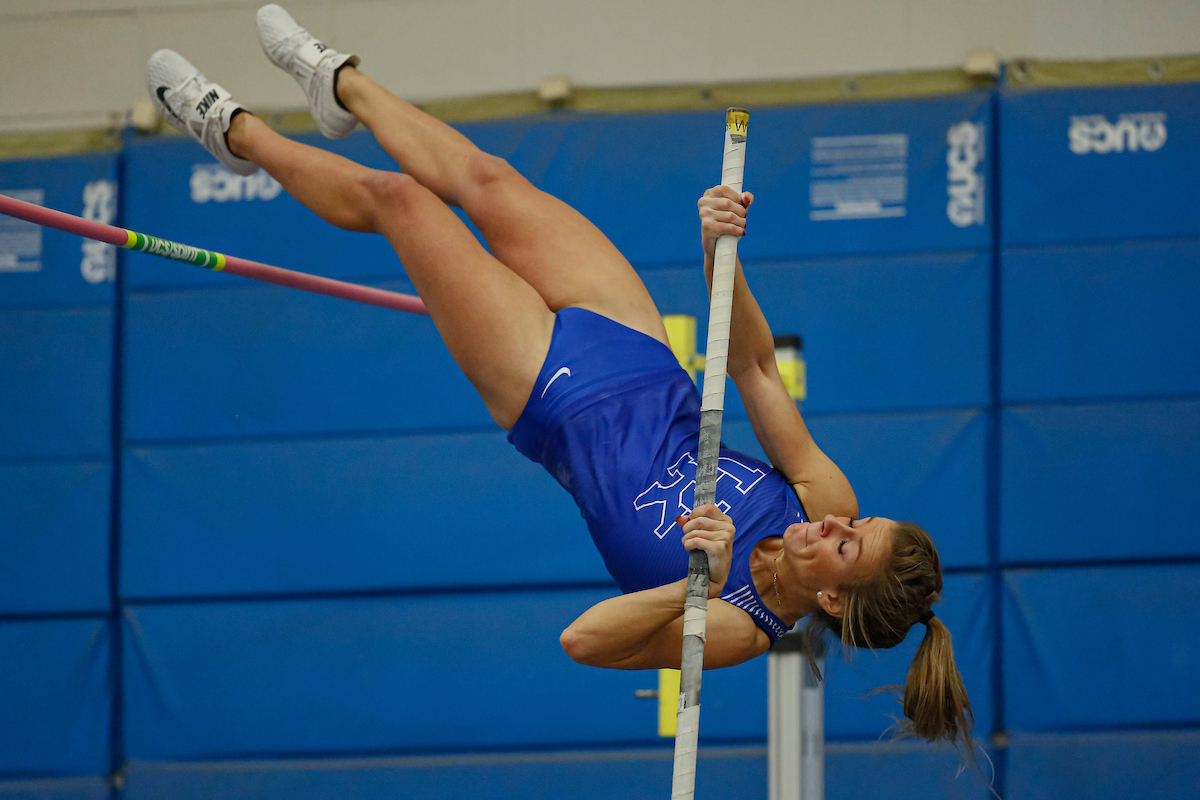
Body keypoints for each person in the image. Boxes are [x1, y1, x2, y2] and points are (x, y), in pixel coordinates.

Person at [146, 4, 973, 751]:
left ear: (831, 600)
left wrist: (698, 589)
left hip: (553, 394)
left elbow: (584, 641)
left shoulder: (734, 629)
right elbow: (751, 363)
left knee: (402, 203)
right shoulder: (821, 497)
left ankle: (234, 133)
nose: (835, 523)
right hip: (636, 346)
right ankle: (340, 84)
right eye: (853, 523)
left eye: (845, 543)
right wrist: (722, 257)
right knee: (492, 178)